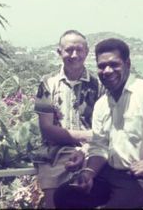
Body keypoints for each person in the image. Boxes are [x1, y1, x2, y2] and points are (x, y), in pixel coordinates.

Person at [53, 38, 143, 209]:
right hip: (109, 175)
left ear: (127, 64)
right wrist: (88, 173)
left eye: (114, 64)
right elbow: (99, 146)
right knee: (64, 196)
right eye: (102, 66)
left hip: (142, 180)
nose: (107, 71)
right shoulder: (102, 104)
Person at [33, 30, 103, 208]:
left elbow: (104, 129)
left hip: (90, 153)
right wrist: (88, 135)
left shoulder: (99, 85)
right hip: (55, 155)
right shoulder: (48, 83)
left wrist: (87, 145)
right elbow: (47, 130)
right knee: (54, 204)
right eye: (69, 50)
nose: (74, 55)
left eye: (79, 50)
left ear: (87, 52)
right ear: (59, 52)